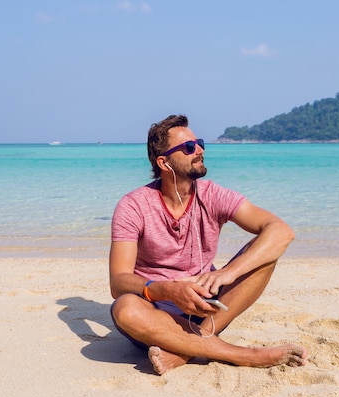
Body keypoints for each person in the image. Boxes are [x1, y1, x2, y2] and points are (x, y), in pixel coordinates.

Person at [109, 114, 307, 375]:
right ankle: (244, 355)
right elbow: (118, 281)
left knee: (264, 255)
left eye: (199, 143)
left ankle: (187, 348)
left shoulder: (212, 194)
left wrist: (228, 273)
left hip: (208, 307)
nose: (199, 149)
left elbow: (281, 231)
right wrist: (168, 291)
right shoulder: (134, 205)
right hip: (158, 311)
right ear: (164, 162)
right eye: (189, 147)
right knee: (125, 308)